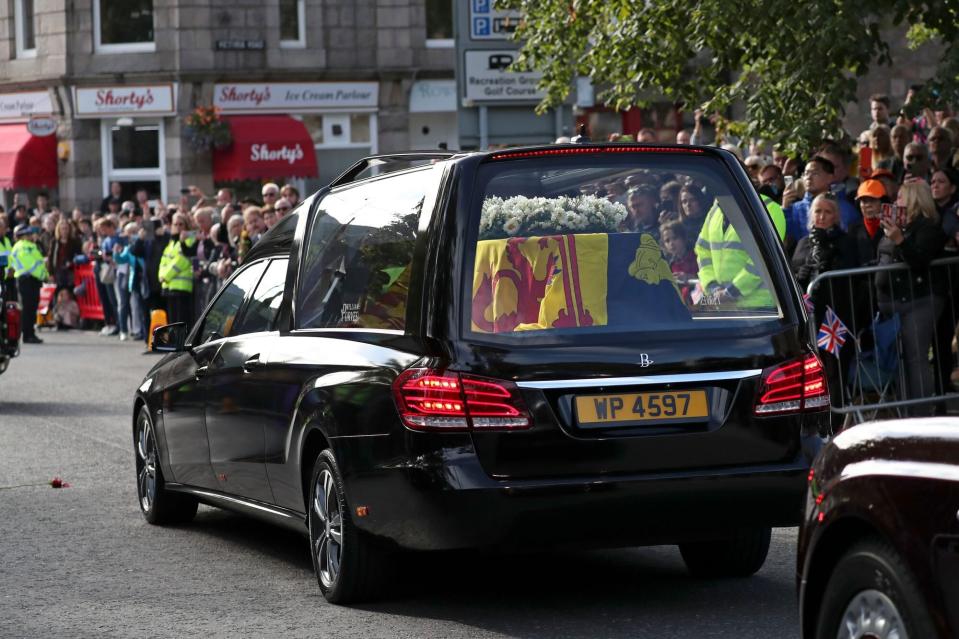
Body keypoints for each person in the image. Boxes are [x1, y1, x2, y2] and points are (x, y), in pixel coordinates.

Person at [875, 180, 946, 414]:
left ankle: (922, 414)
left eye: (901, 198)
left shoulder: (929, 228)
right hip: (898, 301)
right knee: (902, 359)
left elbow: (919, 260)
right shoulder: (900, 227)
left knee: (916, 357)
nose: (896, 203)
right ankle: (907, 412)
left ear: (914, 199)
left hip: (922, 300)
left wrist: (899, 240)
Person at [785, 156, 859, 246]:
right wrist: (785, 209)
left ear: (830, 178)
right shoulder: (794, 209)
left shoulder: (846, 209)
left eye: (815, 173)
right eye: (806, 173)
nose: (808, 177)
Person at [10, 225, 49, 344]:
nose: (31, 235)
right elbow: (31, 266)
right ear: (22, 236)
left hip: (31, 280)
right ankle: (28, 335)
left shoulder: (30, 246)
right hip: (27, 280)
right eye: (28, 234)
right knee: (28, 309)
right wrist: (43, 275)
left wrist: (44, 274)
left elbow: (38, 263)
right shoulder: (23, 247)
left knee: (31, 308)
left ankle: (30, 333)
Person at [158, 212, 198, 326]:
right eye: (176, 224)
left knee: (181, 321)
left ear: (186, 226)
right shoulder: (171, 242)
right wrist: (161, 276)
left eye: (181, 224)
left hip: (182, 286)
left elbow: (182, 261)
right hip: (169, 286)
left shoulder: (189, 239)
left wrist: (166, 276)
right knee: (172, 320)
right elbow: (163, 261)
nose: (178, 227)